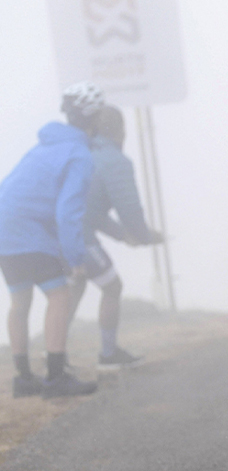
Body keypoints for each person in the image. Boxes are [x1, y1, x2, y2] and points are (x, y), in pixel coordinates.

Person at [0, 82, 105, 398]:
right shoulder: (79, 154)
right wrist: (75, 259)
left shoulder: (45, 146)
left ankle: (24, 380)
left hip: (4, 227)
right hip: (28, 229)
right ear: (94, 118)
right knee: (60, 297)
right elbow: (67, 213)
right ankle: (56, 378)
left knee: (20, 301)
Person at [67, 105, 164, 370]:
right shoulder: (115, 161)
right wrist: (144, 236)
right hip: (78, 235)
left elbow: (93, 211)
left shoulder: (83, 153)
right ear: (121, 131)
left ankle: (56, 355)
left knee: (75, 286)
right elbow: (129, 210)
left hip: (56, 231)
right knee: (112, 286)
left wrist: (122, 235)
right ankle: (108, 354)